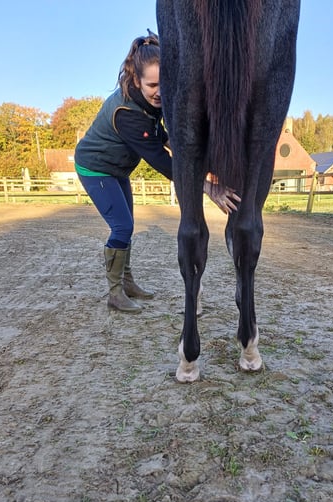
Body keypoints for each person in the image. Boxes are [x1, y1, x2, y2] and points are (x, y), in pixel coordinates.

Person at [74, 32, 240, 312]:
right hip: (96, 167)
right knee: (122, 226)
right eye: (152, 84)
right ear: (136, 80)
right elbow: (163, 161)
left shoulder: (148, 104)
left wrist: (209, 163)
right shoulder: (126, 113)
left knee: (127, 225)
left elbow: (163, 136)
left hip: (117, 169)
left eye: (165, 83)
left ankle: (127, 284)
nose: (160, 91)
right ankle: (115, 294)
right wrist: (210, 188)